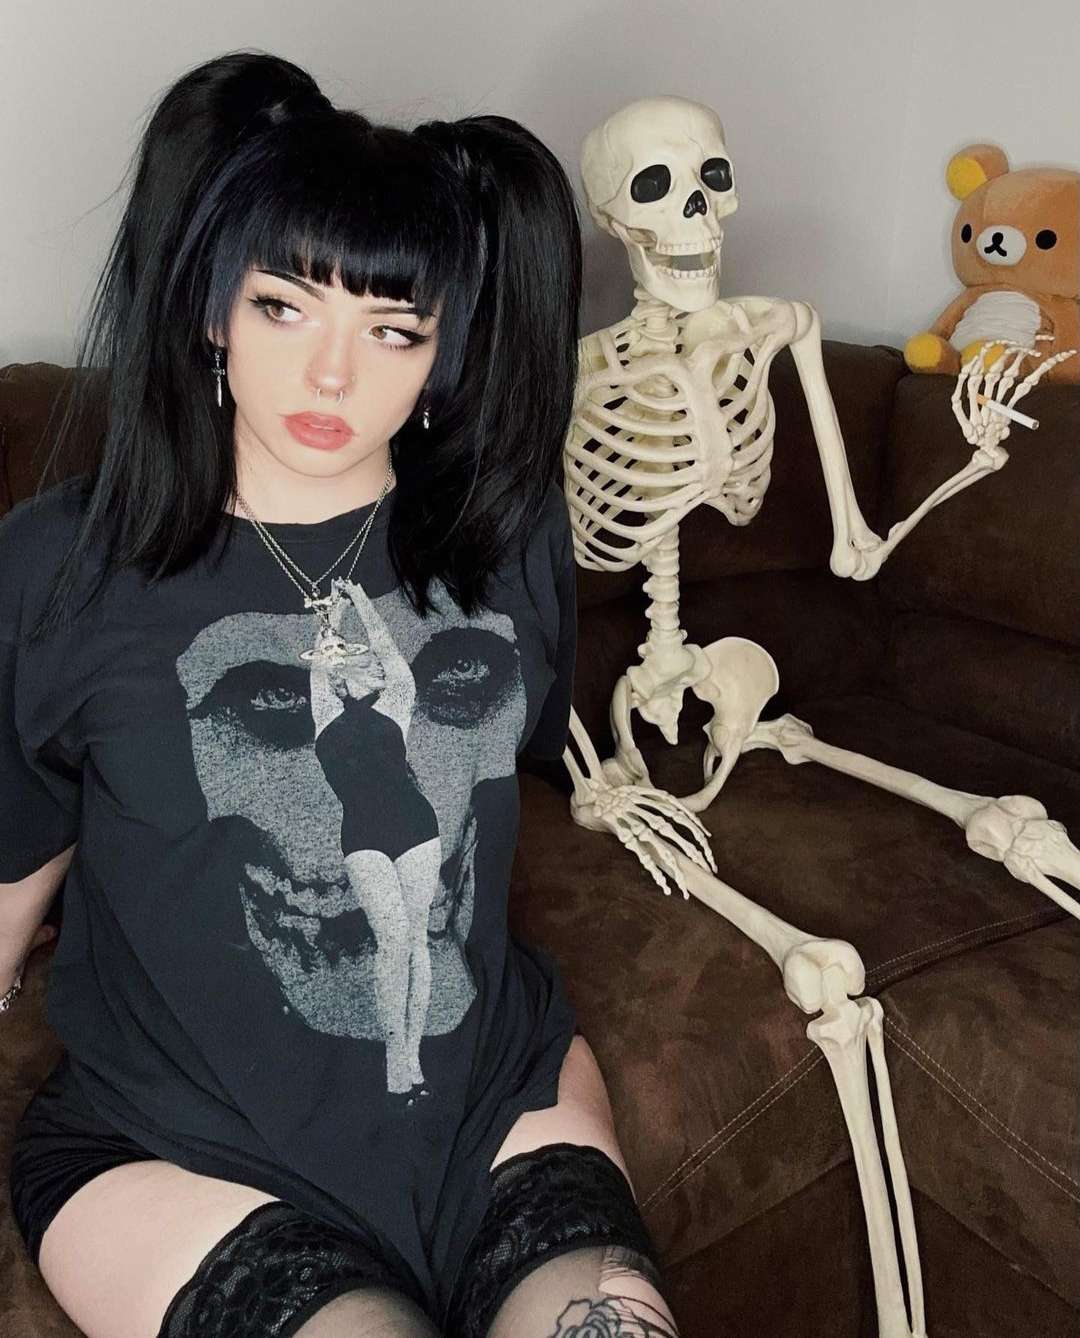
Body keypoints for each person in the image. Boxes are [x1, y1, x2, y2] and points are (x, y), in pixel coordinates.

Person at [0, 50, 681, 1338]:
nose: (332, 376)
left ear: (444, 350)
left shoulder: (510, 534)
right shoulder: (58, 568)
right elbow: (12, 861)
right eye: (284, 307)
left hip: (494, 1106)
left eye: (392, 329)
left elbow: (509, 765)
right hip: (174, 1151)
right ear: (212, 308)